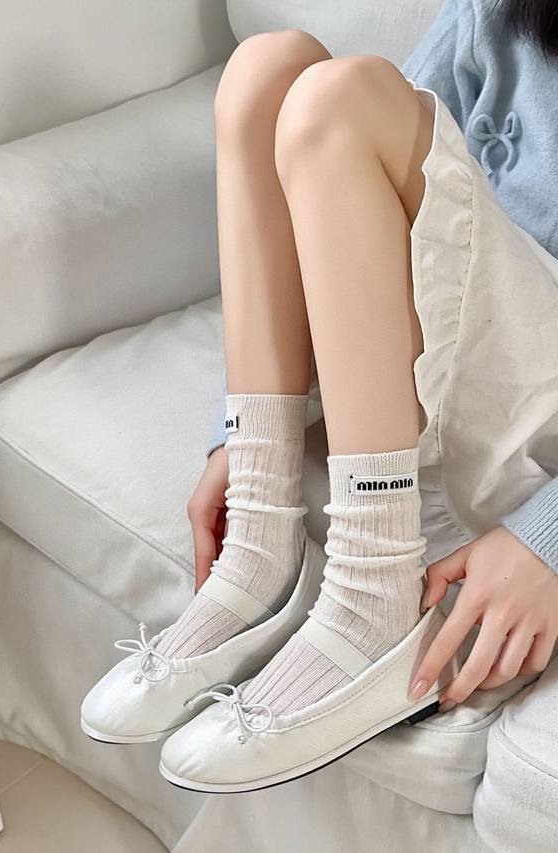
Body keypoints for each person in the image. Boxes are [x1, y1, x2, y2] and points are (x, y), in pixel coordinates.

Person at [82, 0, 558, 814]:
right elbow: (357, 180)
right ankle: (262, 541)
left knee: (339, 102)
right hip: (446, 348)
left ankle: (374, 598)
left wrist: (548, 539)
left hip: (537, 390)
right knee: (269, 72)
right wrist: (247, 437)